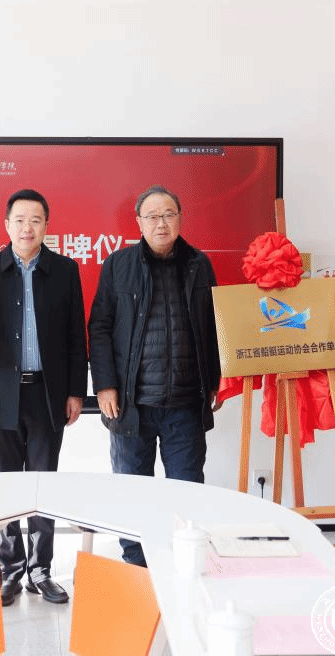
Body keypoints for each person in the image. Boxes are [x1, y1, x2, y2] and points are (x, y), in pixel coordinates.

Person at [88, 185, 222, 567]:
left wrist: (216, 382)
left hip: (185, 405)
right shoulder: (118, 265)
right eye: (152, 216)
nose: (161, 223)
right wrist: (105, 385)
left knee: (187, 490)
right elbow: (100, 327)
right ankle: (136, 564)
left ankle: (184, 562)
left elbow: (215, 325)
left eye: (168, 215)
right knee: (133, 490)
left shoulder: (199, 264)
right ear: (139, 223)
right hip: (132, 405)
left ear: (180, 218)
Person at [0, 189, 87, 606]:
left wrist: (75, 391)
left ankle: (41, 570)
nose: (27, 228)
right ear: (7, 225)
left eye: (35, 220)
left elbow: (76, 336)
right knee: (4, 487)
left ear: (46, 226)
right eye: (19, 220)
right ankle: (10, 570)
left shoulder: (65, 271)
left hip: (48, 394)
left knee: (43, 486)